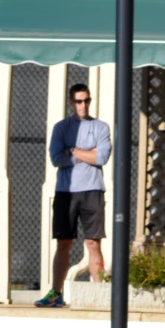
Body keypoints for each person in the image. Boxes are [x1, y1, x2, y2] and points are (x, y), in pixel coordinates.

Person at [37, 83, 111, 308]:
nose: (83, 105)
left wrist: (72, 150)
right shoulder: (61, 128)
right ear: (71, 103)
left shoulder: (100, 127)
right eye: (78, 101)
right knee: (64, 243)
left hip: (93, 190)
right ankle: (56, 294)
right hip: (66, 192)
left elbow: (102, 157)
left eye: (86, 100)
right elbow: (56, 159)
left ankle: (100, 295)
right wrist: (87, 153)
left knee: (93, 243)